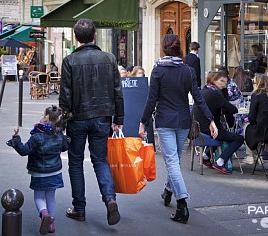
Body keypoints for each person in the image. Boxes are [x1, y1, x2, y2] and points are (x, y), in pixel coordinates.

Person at [139, 34, 217, 224]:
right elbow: (198, 98)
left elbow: (152, 100)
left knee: (172, 161)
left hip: (165, 120)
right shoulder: (188, 71)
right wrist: (211, 119)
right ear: (180, 49)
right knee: (174, 159)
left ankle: (182, 203)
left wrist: (143, 122)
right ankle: (168, 191)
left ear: (164, 49)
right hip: (183, 120)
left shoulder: (158, 71)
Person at [59, 19, 124, 226]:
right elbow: (117, 92)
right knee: (100, 160)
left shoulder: (70, 61)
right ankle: (110, 199)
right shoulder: (110, 59)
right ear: (94, 36)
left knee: (76, 162)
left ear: (76, 38)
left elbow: (65, 97)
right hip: (102, 117)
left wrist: (61, 123)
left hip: (77, 118)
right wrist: (119, 119)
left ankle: (79, 209)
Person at [6, 105, 69, 234]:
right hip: (55, 172)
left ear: (45, 118)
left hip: (39, 173)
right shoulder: (59, 136)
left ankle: (44, 213)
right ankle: (51, 223)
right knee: (51, 196)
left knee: (39, 196)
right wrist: (66, 138)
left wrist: (16, 139)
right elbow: (64, 147)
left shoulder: (36, 136)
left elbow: (24, 151)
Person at [193, 71, 244, 174]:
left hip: (197, 129)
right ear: (213, 80)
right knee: (239, 138)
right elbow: (233, 109)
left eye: (226, 82)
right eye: (221, 81)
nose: (224, 84)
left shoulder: (205, 90)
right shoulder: (214, 94)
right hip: (209, 130)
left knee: (222, 135)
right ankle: (220, 161)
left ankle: (206, 156)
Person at [243, 74, 268, 164]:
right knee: (257, 127)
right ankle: (259, 156)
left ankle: (250, 156)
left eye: (254, 82)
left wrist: (253, 122)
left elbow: (251, 116)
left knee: (248, 127)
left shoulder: (256, 94)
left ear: (257, 83)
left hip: (263, 131)